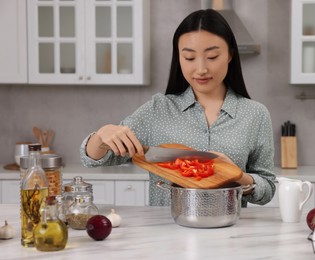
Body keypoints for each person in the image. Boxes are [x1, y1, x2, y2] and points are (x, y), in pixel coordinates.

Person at [80, 9, 275, 207]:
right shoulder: (157, 110)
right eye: (189, 58)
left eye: (213, 56)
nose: (201, 69)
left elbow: (267, 188)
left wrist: (239, 176)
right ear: (179, 59)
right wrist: (102, 135)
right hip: (166, 232)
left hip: (228, 230)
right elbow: (95, 158)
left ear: (230, 55)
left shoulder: (255, 114)